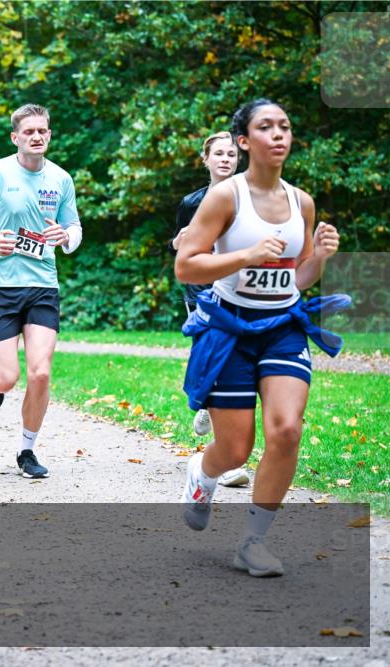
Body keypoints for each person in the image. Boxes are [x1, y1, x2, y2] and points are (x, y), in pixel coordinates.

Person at [175, 99, 341, 576]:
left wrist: (320, 258)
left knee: (287, 430)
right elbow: (186, 264)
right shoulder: (226, 197)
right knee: (235, 449)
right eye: (266, 127)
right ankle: (202, 476)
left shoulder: (300, 202)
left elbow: (299, 276)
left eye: (285, 126)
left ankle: (253, 542)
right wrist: (244, 255)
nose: (278, 135)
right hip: (229, 328)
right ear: (245, 141)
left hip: (283, 329)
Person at [0, 103, 82, 479]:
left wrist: (66, 237)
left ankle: (27, 451)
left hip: (42, 285)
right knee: (7, 378)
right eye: (29, 132)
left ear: (49, 135)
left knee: (40, 373)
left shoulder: (61, 179)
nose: (37, 136)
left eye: (42, 131)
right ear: (16, 137)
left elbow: (74, 228)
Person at [168, 131, 250, 488]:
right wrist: (182, 239)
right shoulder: (191, 203)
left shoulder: (252, 199)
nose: (225, 159)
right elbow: (176, 245)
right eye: (218, 153)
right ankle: (229, 462)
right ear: (206, 159)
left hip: (242, 293)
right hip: (202, 294)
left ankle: (204, 402)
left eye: (231, 154)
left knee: (238, 367)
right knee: (220, 364)